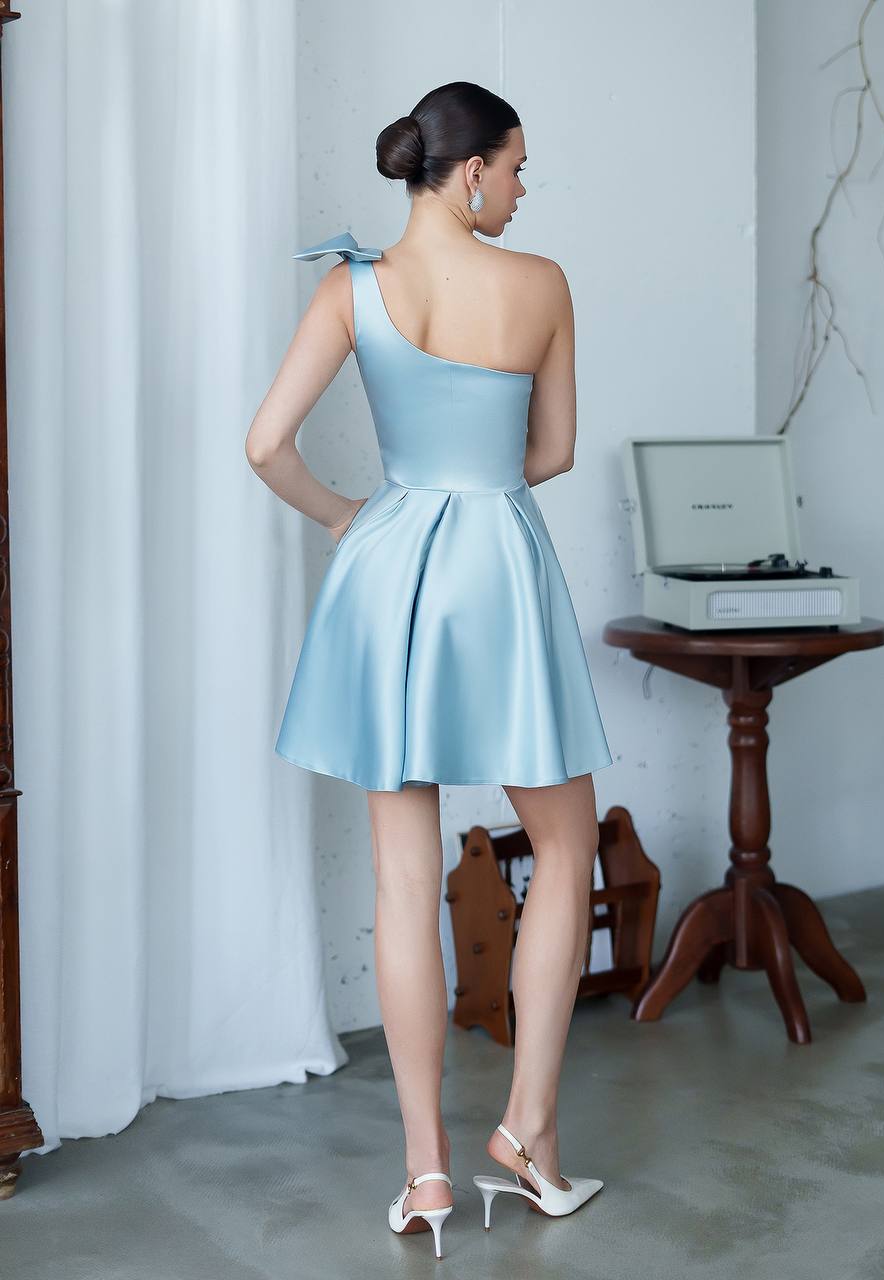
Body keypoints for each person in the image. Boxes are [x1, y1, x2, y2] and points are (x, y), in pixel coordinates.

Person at [245, 81, 610, 1257]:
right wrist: (476, 488)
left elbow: (265, 445)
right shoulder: (541, 283)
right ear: (471, 171)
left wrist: (356, 515)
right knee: (565, 842)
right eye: (517, 167)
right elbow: (552, 450)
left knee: (402, 879)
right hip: (496, 568)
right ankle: (529, 1133)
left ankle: (427, 1173)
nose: (522, 188)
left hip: (388, 575)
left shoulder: (350, 287)